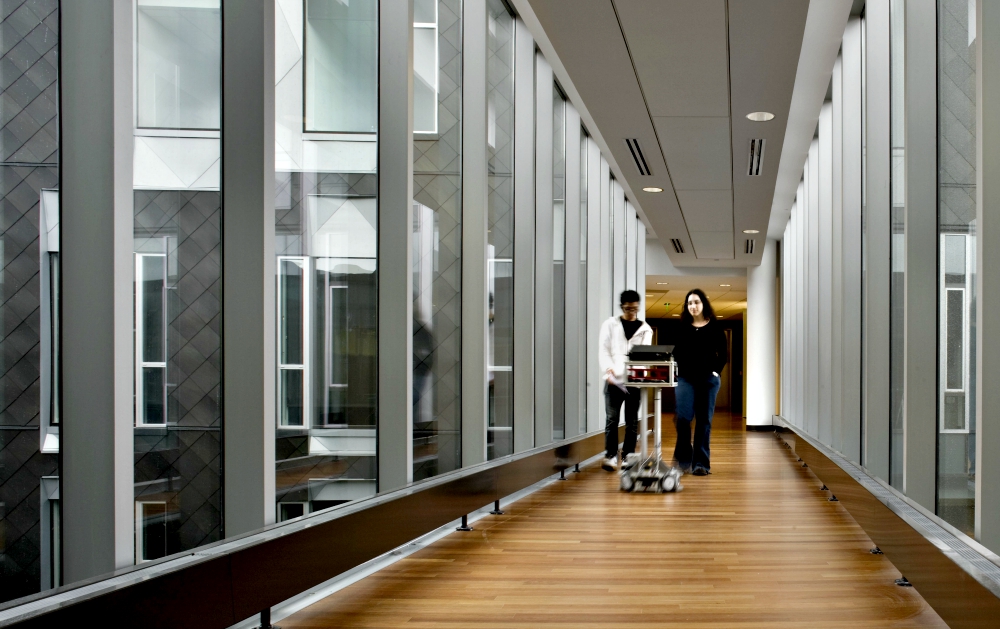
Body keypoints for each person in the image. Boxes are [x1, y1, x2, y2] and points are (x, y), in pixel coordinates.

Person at [672, 289, 728, 476]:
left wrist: (715, 372)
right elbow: (675, 354)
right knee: (683, 418)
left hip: (707, 380)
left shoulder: (715, 327)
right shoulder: (682, 328)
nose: (693, 306)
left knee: (704, 421)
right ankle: (683, 459)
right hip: (685, 379)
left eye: (696, 302)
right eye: (689, 303)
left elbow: (723, 354)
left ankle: (701, 464)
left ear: (704, 304)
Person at [598, 290, 653, 471]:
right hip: (613, 381)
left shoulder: (645, 329)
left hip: (633, 381)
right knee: (612, 420)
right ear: (622, 306)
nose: (631, 311)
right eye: (628, 308)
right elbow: (603, 350)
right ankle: (611, 456)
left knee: (632, 422)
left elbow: (643, 357)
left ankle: (628, 456)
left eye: (635, 308)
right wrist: (609, 372)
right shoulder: (610, 325)